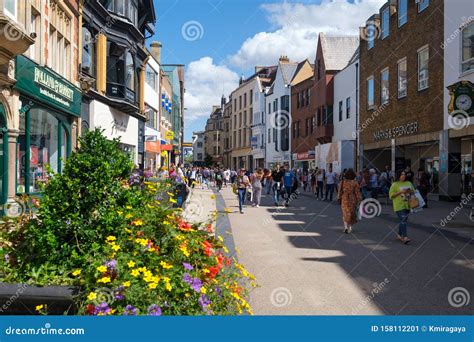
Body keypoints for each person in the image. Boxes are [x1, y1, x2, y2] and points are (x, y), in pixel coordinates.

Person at [389, 169, 415, 244]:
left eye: (404, 174)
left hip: (407, 204)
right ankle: (405, 237)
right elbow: (391, 196)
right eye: (402, 174)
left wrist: (409, 191)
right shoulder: (395, 184)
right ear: (398, 176)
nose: (403, 176)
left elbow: (413, 191)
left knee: (403, 220)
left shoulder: (409, 183)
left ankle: (399, 235)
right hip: (399, 205)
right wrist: (400, 192)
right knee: (403, 219)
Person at [338, 169, 362, 234]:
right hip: (352, 199)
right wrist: (359, 199)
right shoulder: (355, 183)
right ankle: (350, 227)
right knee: (351, 213)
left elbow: (340, 191)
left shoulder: (343, 182)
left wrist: (339, 198)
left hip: (344, 198)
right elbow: (357, 192)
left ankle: (345, 227)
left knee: (345, 213)